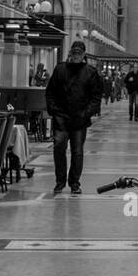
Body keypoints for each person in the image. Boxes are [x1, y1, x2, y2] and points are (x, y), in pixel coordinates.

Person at [44, 42, 104, 195]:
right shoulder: (60, 69)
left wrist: (86, 113)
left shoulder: (90, 72)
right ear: (70, 53)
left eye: (79, 53)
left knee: (77, 152)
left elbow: (96, 96)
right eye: (74, 52)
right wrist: (54, 111)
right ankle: (60, 181)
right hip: (61, 118)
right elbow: (50, 92)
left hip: (79, 119)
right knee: (59, 148)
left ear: (83, 55)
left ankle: (74, 183)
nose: (76, 55)